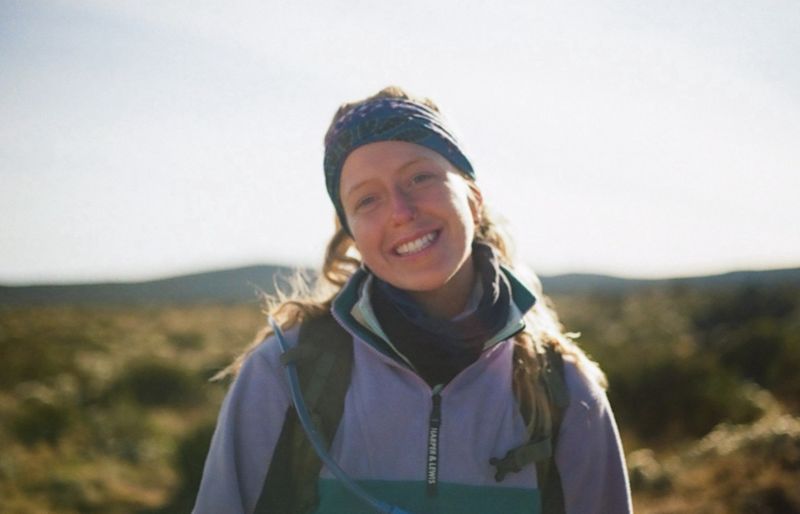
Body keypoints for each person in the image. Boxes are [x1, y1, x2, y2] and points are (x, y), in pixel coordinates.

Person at [193, 86, 632, 514]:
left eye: (420, 177)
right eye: (367, 199)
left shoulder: (563, 388)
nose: (401, 211)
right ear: (352, 235)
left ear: (473, 199)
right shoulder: (286, 370)